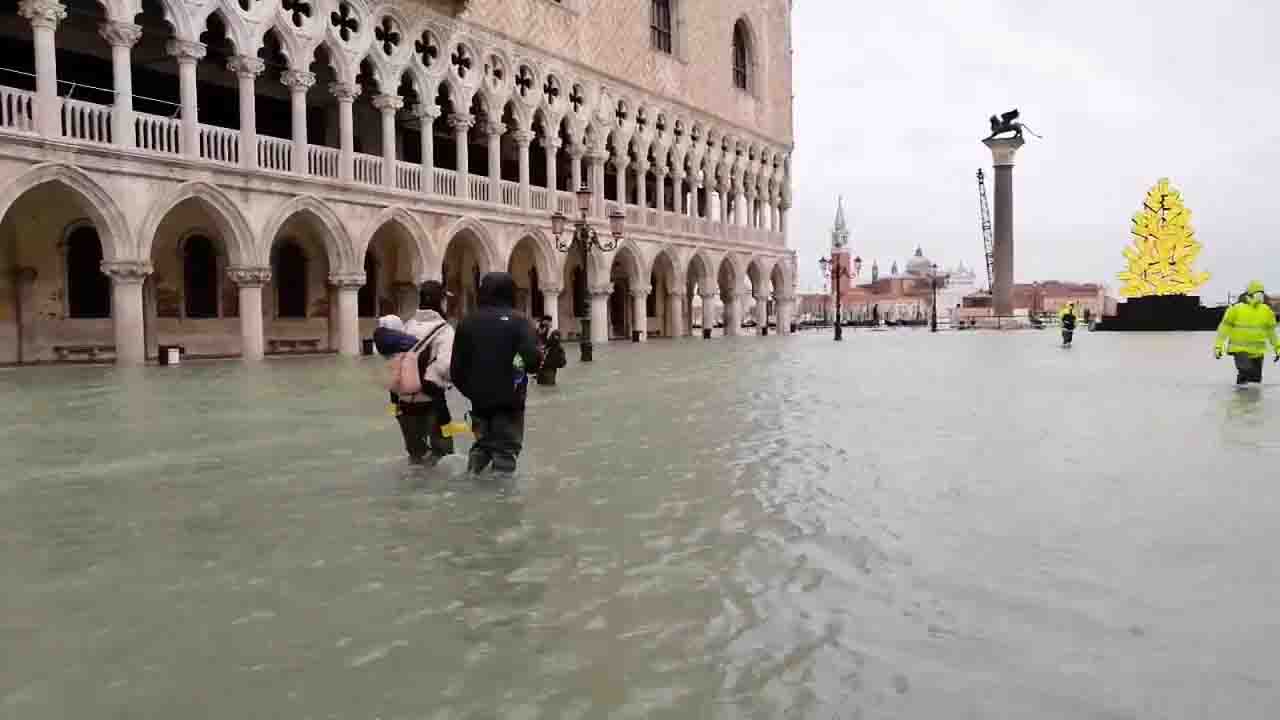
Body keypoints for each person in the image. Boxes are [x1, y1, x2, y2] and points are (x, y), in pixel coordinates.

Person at [450, 272, 540, 477]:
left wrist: (474, 392)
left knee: (482, 446)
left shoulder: (467, 323)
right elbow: (531, 360)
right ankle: (501, 504)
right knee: (505, 453)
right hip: (510, 403)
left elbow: (456, 370)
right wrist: (515, 378)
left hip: (479, 403)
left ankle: (472, 482)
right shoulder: (520, 322)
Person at [391, 281, 455, 465]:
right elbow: (446, 367)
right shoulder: (445, 330)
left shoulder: (407, 325)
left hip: (404, 402)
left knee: (416, 457)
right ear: (439, 301)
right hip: (433, 402)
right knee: (445, 456)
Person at [1215, 281, 1280, 385]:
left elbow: (1271, 332)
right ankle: (1239, 397)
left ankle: (1248, 398)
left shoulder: (1266, 311)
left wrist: (1277, 348)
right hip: (1240, 351)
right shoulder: (1235, 309)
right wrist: (1218, 346)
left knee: (1255, 382)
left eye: (1262, 293)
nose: (1260, 296)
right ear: (1249, 294)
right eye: (1258, 293)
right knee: (1246, 371)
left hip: (1258, 352)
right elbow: (1223, 329)